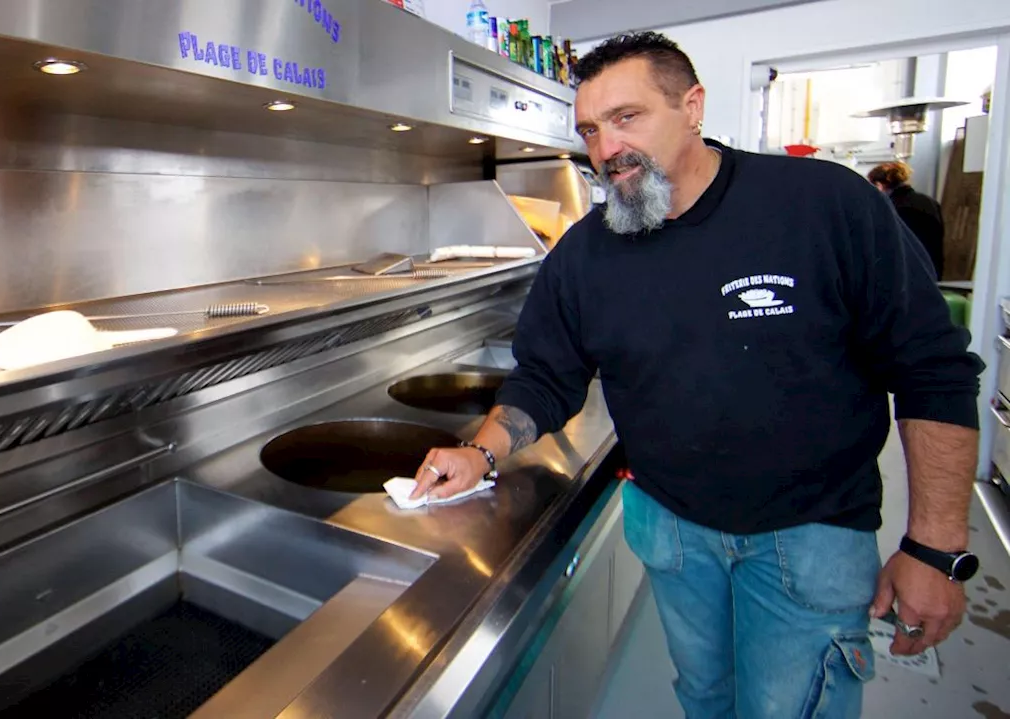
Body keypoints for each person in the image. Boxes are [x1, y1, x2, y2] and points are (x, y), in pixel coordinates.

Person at [410, 31, 984, 719]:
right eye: (590, 130)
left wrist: (934, 547)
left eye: (628, 118)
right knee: (706, 699)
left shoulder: (823, 204)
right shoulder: (588, 252)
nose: (605, 149)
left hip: (809, 534)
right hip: (672, 530)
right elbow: (543, 376)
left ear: (693, 107)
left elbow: (934, 371)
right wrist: (481, 451)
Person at [868, 161, 946, 278]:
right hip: (932, 268)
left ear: (879, 185)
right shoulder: (930, 202)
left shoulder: (894, 208)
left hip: (908, 273)